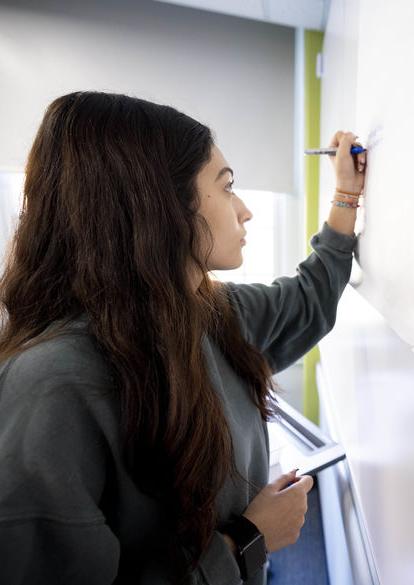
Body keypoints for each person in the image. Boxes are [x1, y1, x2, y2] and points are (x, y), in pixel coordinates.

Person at [0, 91, 367, 584]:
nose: (244, 211)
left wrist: (347, 195)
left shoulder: (207, 314)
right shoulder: (53, 386)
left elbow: (306, 301)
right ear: (160, 207)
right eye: (227, 186)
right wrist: (248, 539)